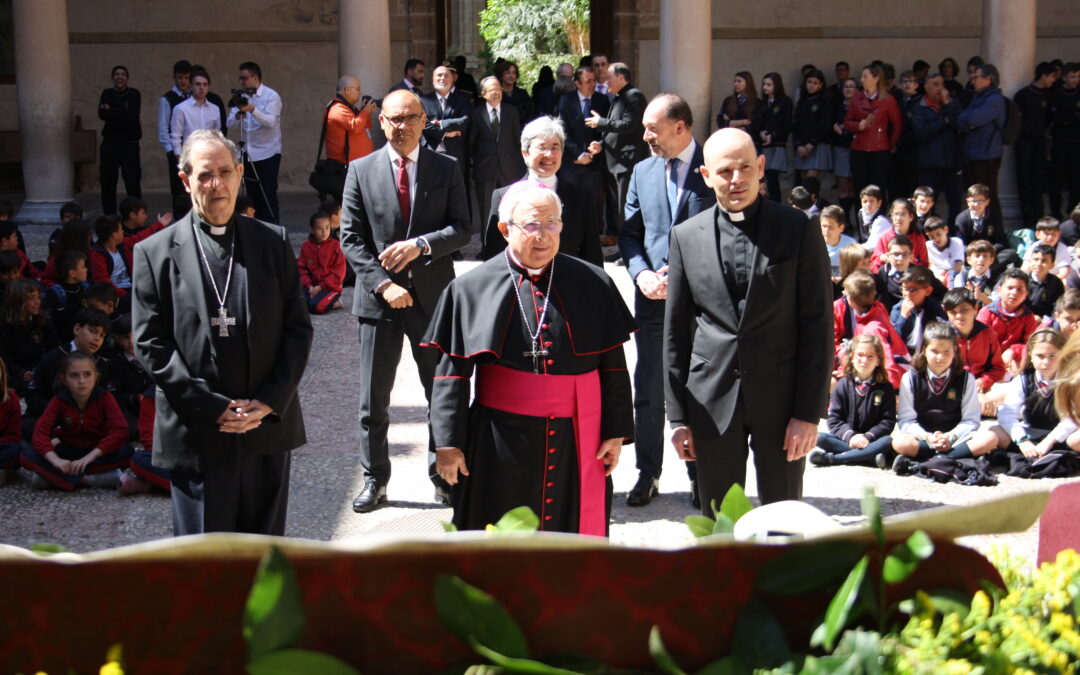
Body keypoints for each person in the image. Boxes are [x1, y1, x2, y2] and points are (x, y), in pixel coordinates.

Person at [422, 183, 636, 535]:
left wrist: (615, 432)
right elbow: (452, 376)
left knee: (570, 537)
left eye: (552, 224)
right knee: (496, 538)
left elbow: (612, 364)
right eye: (532, 225)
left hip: (575, 439)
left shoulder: (593, 282)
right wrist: (447, 445)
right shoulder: (469, 289)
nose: (543, 236)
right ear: (505, 230)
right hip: (499, 441)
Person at [132, 129, 313, 536]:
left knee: (263, 555)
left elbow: (297, 330)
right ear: (185, 180)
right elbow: (150, 344)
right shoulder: (154, 253)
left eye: (225, 172)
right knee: (204, 563)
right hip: (199, 430)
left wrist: (269, 402)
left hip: (264, 427)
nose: (217, 184)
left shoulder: (273, 242)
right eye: (204, 174)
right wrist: (211, 406)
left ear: (240, 174)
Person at [664, 128, 832, 511]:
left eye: (744, 168)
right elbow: (676, 333)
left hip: (782, 399)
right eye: (724, 171)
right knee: (719, 522)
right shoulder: (685, 236)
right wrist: (677, 418)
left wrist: (808, 413)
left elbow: (818, 324)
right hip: (710, 399)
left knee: (784, 517)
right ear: (706, 176)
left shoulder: (798, 229)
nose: (736, 179)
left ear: (760, 167)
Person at [339, 89, 471, 514]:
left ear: (423, 121)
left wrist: (421, 246)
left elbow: (462, 229)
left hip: (432, 300)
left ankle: (442, 475)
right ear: (382, 123)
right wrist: (383, 285)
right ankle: (375, 477)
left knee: (440, 393)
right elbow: (351, 238)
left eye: (410, 118)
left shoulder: (446, 168)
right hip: (379, 303)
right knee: (373, 398)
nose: (402, 126)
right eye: (394, 119)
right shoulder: (360, 170)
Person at [619, 93, 715, 507]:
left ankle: (701, 474)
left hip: (704, 307)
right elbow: (629, 233)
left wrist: (687, 273)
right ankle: (648, 472)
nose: (645, 136)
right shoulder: (641, 171)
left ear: (680, 127)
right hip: (653, 303)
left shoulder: (714, 168)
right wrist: (640, 273)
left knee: (699, 390)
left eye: (652, 129)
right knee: (649, 388)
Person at [482, 116, 602, 266]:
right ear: (525, 152)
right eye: (542, 147)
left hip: (567, 284)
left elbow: (592, 255)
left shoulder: (580, 198)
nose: (549, 154)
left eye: (555, 147)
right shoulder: (504, 197)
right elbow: (493, 258)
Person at [890, 322, 999, 471]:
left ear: (955, 350)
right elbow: (906, 420)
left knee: (990, 438)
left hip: (956, 438)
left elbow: (971, 420)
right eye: (934, 351)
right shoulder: (910, 378)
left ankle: (928, 461)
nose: (940, 357)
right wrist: (928, 437)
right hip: (923, 438)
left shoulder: (966, 379)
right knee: (900, 443)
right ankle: (950, 458)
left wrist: (949, 437)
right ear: (924, 350)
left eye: (946, 351)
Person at [20, 351, 133, 491]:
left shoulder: (105, 398)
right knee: (25, 452)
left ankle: (53, 478)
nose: (81, 381)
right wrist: (55, 460)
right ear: (64, 379)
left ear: (95, 376)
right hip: (69, 451)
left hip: (97, 452)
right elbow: (40, 432)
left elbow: (121, 430)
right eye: (74, 375)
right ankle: (89, 480)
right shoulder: (59, 400)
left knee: (128, 451)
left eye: (87, 374)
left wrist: (90, 457)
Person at [809, 334, 896, 468]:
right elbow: (834, 420)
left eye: (870, 356)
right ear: (852, 357)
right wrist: (851, 437)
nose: (864, 360)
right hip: (846, 440)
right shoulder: (842, 385)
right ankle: (870, 458)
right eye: (859, 355)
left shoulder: (885, 387)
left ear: (878, 360)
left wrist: (867, 437)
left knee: (887, 442)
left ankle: (833, 459)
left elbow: (887, 421)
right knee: (819, 437)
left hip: (872, 440)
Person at [585, 62, 649, 238]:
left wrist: (601, 122)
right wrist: (601, 144)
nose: (606, 82)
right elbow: (615, 130)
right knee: (615, 209)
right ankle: (622, 246)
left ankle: (631, 247)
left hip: (627, 162)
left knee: (626, 208)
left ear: (621, 77)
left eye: (609, 78)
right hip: (613, 161)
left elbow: (628, 125)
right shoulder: (617, 97)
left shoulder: (634, 96)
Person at [993, 329, 1073, 457]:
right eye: (1040, 356)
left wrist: (1050, 441)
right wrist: (1022, 440)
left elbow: (1073, 418)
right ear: (1030, 355)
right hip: (1029, 435)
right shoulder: (1023, 379)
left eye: (1053, 356)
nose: (1046, 362)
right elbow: (1007, 413)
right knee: (992, 433)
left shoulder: (1070, 380)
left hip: (1061, 437)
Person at [555, 67, 609, 239]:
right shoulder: (565, 101)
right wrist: (579, 154)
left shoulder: (602, 100)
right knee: (569, 203)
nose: (592, 84)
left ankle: (591, 238)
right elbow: (562, 131)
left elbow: (608, 128)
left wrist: (599, 145)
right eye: (588, 81)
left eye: (594, 80)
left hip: (594, 164)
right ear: (577, 83)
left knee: (593, 204)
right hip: (572, 163)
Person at [227, 62, 282, 223]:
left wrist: (252, 110)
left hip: (267, 153)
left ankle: (271, 229)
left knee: (267, 195)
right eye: (240, 79)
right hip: (247, 154)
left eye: (244, 78)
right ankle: (252, 227)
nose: (242, 82)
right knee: (250, 196)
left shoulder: (271, 96)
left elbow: (270, 122)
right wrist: (238, 115)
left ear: (255, 77)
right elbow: (230, 123)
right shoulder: (241, 97)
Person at [471, 77, 525, 237]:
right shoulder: (476, 114)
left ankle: (511, 243)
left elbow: (517, 141)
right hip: (486, 169)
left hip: (509, 169)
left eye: (499, 89)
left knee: (511, 209)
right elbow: (472, 143)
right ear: (483, 94)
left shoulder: (511, 112)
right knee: (486, 210)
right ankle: (486, 246)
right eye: (492, 90)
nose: (497, 93)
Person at [957, 63, 1007, 228]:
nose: (972, 80)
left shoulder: (994, 99)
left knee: (987, 196)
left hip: (987, 154)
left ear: (988, 79)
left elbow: (973, 119)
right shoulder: (977, 97)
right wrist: (968, 120)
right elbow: (961, 119)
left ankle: (996, 231)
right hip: (973, 153)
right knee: (974, 196)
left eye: (976, 77)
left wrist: (969, 120)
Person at [911, 74, 964, 226]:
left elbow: (960, 124)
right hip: (929, 164)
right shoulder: (919, 107)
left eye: (942, 84)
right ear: (926, 87)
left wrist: (948, 105)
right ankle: (926, 233)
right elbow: (922, 132)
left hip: (951, 163)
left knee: (954, 202)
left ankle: (953, 233)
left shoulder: (953, 104)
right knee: (926, 203)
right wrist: (945, 121)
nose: (940, 88)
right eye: (935, 84)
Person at [844, 64, 902, 201]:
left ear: (876, 78)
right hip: (859, 149)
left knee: (879, 188)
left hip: (880, 149)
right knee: (860, 188)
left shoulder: (888, 100)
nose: (862, 80)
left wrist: (890, 143)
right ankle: (861, 220)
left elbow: (897, 125)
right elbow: (847, 122)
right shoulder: (856, 99)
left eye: (865, 76)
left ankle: (879, 220)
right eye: (861, 77)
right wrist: (859, 125)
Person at [943, 288, 1006, 403]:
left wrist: (983, 381)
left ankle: (977, 405)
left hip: (981, 385)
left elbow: (998, 367)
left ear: (976, 308)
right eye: (953, 312)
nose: (959, 316)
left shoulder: (987, 333)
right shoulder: (942, 336)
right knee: (950, 399)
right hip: (952, 385)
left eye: (964, 310)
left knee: (1007, 391)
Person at [1014, 63, 1058, 229]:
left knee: (1038, 180)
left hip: (1039, 141)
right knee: (1025, 180)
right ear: (1044, 75)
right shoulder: (1023, 95)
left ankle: (1039, 217)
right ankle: (1027, 220)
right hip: (1024, 142)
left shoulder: (1048, 95)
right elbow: (1018, 121)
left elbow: (1048, 118)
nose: (1054, 80)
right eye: (1052, 76)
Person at [0, 280, 59, 398]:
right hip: (14, 373)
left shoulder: (42, 320)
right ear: (18, 301)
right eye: (31, 298)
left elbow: (55, 347)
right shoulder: (4, 325)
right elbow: (3, 358)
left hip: (39, 368)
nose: (37, 302)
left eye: (38, 297)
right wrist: (21, 373)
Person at [98, 65, 142, 216]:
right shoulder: (107, 93)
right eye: (116, 74)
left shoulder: (134, 94)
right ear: (112, 77)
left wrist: (112, 112)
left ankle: (135, 216)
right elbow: (102, 114)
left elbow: (132, 117)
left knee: (132, 182)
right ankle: (109, 216)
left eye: (123, 74)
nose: (120, 77)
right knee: (108, 182)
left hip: (129, 144)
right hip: (110, 144)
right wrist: (123, 109)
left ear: (127, 78)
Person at [420, 65, 470, 185]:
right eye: (439, 75)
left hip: (455, 152)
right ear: (432, 79)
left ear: (452, 79)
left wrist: (441, 123)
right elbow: (422, 124)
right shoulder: (423, 100)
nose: (442, 78)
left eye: (446, 75)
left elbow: (464, 121)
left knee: (454, 190)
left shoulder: (462, 100)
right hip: (430, 152)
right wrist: (445, 133)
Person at [169, 67, 227, 160]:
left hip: (210, 156)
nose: (201, 88)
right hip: (190, 156)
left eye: (205, 84)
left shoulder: (215, 109)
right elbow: (176, 137)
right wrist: (180, 160)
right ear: (191, 86)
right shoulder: (181, 108)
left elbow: (217, 134)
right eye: (198, 84)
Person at [159, 60, 193, 213]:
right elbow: (163, 128)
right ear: (174, 77)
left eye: (186, 77)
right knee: (179, 189)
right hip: (177, 151)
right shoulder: (167, 99)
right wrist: (171, 151)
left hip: (194, 149)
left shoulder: (194, 96)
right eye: (180, 77)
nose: (183, 81)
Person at [890, 265, 948, 354]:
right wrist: (903, 317)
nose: (908, 294)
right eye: (905, 289)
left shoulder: (934, 307)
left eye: (913, 290)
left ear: (928, 291)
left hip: (927, 353)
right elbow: (895, 341)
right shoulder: (898, 309)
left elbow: (943, 330)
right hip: (904, 353)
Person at [297, 211, 346, 314]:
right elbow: (301, 269)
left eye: (327, 228)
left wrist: (321, 286)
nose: (324, 232)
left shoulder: (337, 246)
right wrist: (309, 285)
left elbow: (338, 273)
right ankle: (318, 300)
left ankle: (335, 302)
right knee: (298, 305)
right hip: (310, 286)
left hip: (329, 287)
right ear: (312, 230)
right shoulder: (306, 246)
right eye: (320, 229)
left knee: (316, 307)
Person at [1049, 63, 1080, 219]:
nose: (1075, 80)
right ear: (1065, 77)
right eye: (1072, 76)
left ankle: (1073, 211)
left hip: (1077, 141)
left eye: (1078, 76)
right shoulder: (1056, 94)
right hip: (1060, 140)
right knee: (1057, 178)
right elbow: (1053, 117)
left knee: (1076, 179)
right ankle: (1055, 211)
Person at [757, 73, 793, 203]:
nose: (765, 87)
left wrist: (773, 135)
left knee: (773, 178)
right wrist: (761, 133)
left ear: (776, 85)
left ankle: (776, 205)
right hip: (764, 146)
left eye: (769, 84)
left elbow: (787, 124)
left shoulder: (785, 101)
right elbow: (757, 123)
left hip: (777, 145)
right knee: (763, 178)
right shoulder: (762, 103)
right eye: (764, 84)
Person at [792, 69, 833, 180]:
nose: (811, 85)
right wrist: (798, 144)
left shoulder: (824, 101)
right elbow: (796, 124)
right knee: (803, 181)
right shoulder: (802, 101)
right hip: (802, 145)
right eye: (809, 82)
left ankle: (814, 197)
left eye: (815, 83)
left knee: (811, 180)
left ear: (821, 85)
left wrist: (812, 143)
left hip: (817, 144)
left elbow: (825, 124)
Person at [325, 74, 375, 166]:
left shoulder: (348, 108)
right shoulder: (337, 108)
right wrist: (364, 112)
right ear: (347, 90)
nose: (360, 92)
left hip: (357, 165)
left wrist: (365, 112)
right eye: (358, 89)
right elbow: (356, 127)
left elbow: (365, 127)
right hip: (345, 169)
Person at [872, 199, 929, 271]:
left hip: (912, 276)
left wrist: (909, 261)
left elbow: (924, 265)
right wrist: (881, 258)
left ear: (911, 217)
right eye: (895, 214)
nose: (898, 218)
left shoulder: (919, 238)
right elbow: (874, 264)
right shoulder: (885, 236)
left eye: (902, 214)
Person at [1026, 245, 1065, 319]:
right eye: (1036, 259)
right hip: (1024, 318)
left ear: (1052, 265)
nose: (1038, 264)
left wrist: (1045, 320)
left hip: (1046, 321)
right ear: (1030, 261)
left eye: (1044, 261)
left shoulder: (1056, 283)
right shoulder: (1023, 280)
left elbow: (1057, 307)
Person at [925, 216, 965, 282]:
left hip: (955, 274)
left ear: (945, 229)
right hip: (938, 275)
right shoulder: (928, 246)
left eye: (938, 234)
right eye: (931, 236)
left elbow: (958, 265)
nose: (936, 239)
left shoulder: (957, 242)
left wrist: (947, 274)